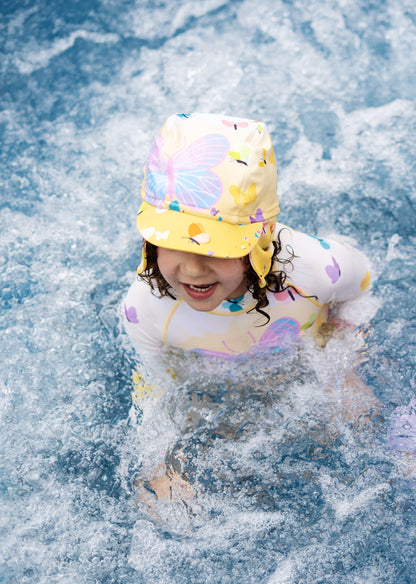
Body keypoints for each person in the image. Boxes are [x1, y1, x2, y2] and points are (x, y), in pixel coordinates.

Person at [123, 112, 372, 370]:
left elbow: (365, 284)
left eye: (216, 248)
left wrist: (342, 352)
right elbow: (157, 380)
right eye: (175, 243)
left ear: (258, 242)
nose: (192, 269)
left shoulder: (318, 268)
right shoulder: (145, 309)